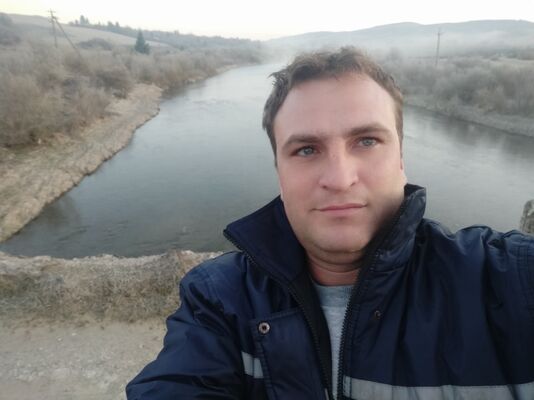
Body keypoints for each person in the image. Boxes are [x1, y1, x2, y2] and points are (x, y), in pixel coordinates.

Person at [126, 47, 534, 400]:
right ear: (279, 175)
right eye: (306, 150)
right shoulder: (220, 301)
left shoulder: (506, 284)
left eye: (367, 141)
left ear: (401, 161)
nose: (339, 179)